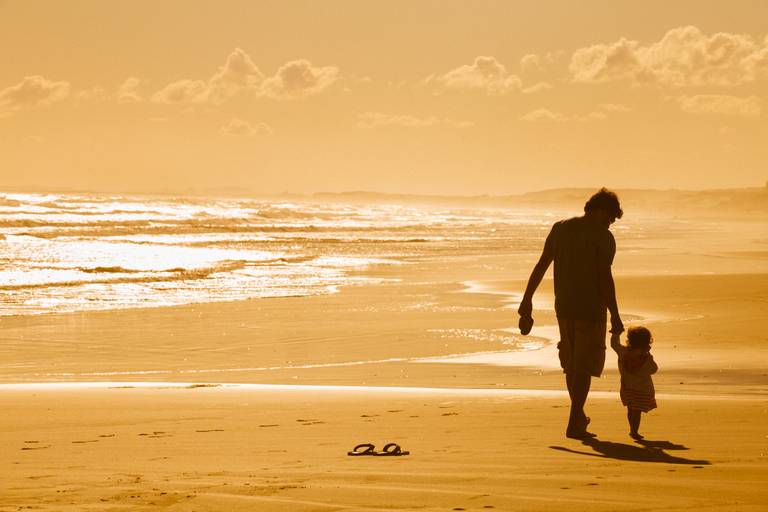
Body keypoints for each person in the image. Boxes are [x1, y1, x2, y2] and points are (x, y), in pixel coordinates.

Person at [518, 188, 624, 438]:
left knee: (572, 365)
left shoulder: (560, 228)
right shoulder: (603, 237)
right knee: (584, 367)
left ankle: (578, 416)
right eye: (610, 218)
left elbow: (542, 265)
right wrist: (616, 315)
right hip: (591, 310)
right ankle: (574, 420)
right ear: (600, 211)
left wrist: (527, 300)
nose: (610, 224)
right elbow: (604, 278)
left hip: (563, 307)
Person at [610, 326, 657, 440]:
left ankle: (632, 429)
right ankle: (634, 431)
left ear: (629, 340)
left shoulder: (624, 352)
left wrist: (616, 333)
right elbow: (653, 369)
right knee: (637, 412)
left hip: (627, 388)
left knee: (631, 410)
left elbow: (614, 344)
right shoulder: (645, 357)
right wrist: (648, 356)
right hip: (642, 389)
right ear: (647, 341)